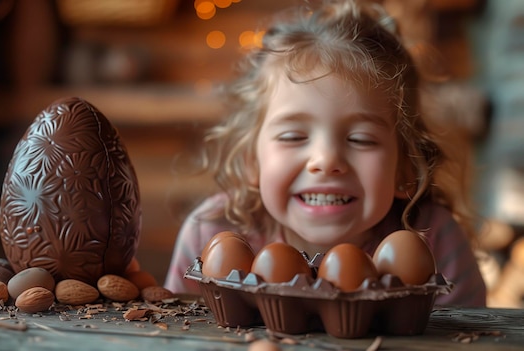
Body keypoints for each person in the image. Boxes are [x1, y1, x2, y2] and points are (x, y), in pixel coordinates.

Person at [164, 0, 486, 307]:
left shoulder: (433, 240)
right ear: (252, 160)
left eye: (361, 139)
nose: (326, 160)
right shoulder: (211, 234)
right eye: (293, 136)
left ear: (405, 167)